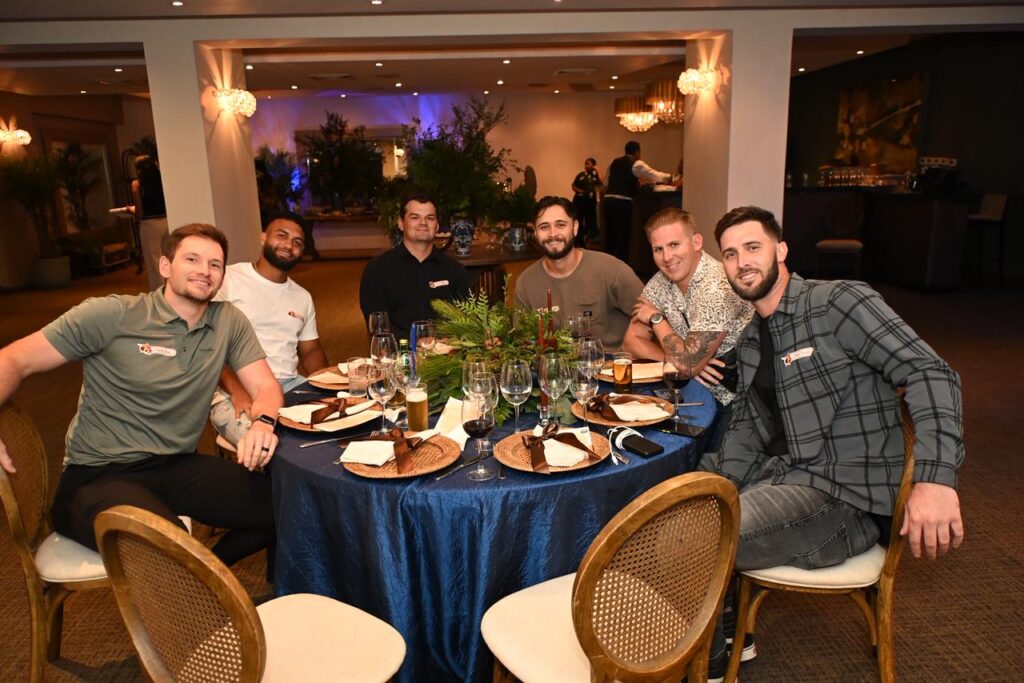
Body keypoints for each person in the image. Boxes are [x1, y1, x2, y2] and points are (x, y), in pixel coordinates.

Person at [702, 205, 964, 677]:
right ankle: (722, 630)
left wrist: (935, 478)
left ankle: (704, 660)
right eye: (731, 253)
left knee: (702, 536)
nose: (742, 261)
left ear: (781, 251)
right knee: (681, 507)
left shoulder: (837, 301)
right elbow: (746, 429)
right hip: (788, 480)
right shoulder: (751, 340)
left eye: (753, 247)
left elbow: (930, 371)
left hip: (848, 499)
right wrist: (712, 487)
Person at [0, 224, 282, 567]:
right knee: (168, 545)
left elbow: (266, 387)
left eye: (214, 264)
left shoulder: (228, 322)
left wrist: (264, 422)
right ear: (165, 266)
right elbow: (14, 359)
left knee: (288, 506)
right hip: (98, 475)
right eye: (191, 259)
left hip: (176, 465)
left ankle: (205, 577)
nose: (204, 271)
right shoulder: (113, 315)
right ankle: (197, 583)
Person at [622, 208, 752, 451]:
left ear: (696, 242)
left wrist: (657, 319)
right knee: (636, 432)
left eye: (674, 244)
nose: (667, 257)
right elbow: (631, 342)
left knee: (696, 464)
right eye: (658, 249)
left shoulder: (717, 287)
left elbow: (687, 365)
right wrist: (675, 362)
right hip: (690, 388)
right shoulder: (661, 281)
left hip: (732, 398)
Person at [210, 211, 328, 445]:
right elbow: (208, 345)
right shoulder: (229, 279)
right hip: (235, 390)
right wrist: (236, 391)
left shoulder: (302, 296)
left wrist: (329, 386)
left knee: (343, 421)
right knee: (267, 445)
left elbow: (311, 351)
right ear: (263, 238)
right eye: (282, 236)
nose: (289, 245)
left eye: (297, 242)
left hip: (290, 384)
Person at [514, 196, 643, 350]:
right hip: (557, 369)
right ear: (535, 232)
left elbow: (651, 316)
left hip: (612, 367)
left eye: (561, 225)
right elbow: (522, 343)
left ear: (575, 228)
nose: (553, 234)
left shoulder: (611, 270)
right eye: (544, 227)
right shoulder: (526, 283)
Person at [359, 193, 471, 338]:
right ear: (400, 223)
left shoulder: (455, 270)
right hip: (397, 355)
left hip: (446, 354)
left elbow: (465, 320)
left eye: (429, 218)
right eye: (415, 217)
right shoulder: (377, 269)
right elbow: (377, 325)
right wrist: (413, 342)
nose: (423, 223)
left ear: (437, 226)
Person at [602, 141, 676, 264]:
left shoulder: (613, 162)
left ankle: (606, 267)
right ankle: (621, 268)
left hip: (608, 201)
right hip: (623, 203)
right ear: (637, 152)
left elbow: (605, 184)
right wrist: (669, 176)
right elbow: (654, 175)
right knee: (622, 238)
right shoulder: (636, 164)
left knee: (610, 238)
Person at [130, 153, 168, 292]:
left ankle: (159, 295)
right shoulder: (162, 181)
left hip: (150, 225)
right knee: (168, 257)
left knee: (154, 262)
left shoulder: (138, 185)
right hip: (166, 221)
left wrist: (131, 209)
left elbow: (139, 212)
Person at [571, 157, 602, 247]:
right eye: (585, 164)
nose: (586, 166)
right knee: (578, 220)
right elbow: (573, 185)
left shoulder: (595, 176)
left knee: (590, 221)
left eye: (588, 164)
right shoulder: (581, 175)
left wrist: (597, 170)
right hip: (579, 202)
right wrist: (580, 191)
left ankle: (589, 240)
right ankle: (578, 240)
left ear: (593, 165)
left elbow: (602, 183)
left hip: (590, 203)